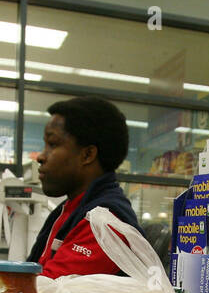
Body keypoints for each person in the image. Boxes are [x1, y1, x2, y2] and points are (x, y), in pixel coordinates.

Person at [27, 95, 142, 278]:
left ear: (87, 155)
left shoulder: (104, 223)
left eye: (53, 144)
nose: (41, 156)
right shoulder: (69, 210)